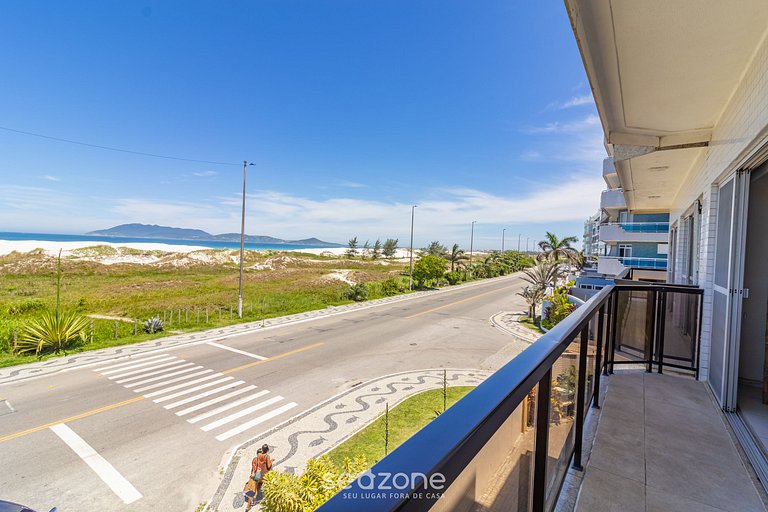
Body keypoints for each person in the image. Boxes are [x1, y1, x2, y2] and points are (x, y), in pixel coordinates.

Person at [244, 444, 273, 510]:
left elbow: (253, 468)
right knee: (265, 485)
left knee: (255, 488)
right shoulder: (266, 456)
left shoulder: (255, 458)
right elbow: (268, 467)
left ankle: (248, 506)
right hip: (263, 475)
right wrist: (271, 462)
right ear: (267, 450)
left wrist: (251, 475)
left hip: (257, 474)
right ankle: (271, 500)